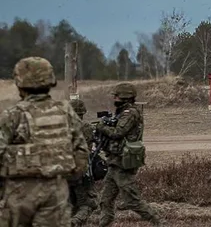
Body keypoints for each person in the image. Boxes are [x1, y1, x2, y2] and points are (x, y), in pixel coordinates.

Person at [0, 56, 89, 227]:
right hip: (56, 192)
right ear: (51, 81)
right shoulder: (66, 112)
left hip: (19, 193)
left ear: (19, 83)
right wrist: (64, 179)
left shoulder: (13, 115)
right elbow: (81, 154)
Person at [93, 82, 160, 226]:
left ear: (125, 98)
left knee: (132, 201)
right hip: (115, 162)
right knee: (105, 200)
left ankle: (160, 222)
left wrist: (102, 127)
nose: (114, 99)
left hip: (123, 163)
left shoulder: (130, 113)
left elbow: (118, 133)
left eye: (116, 96)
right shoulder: (122, 113)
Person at [67, 97, 98, 226]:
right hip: (81, 171)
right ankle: (74, 222)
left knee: (70, 204)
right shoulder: (86, 127)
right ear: (82, 113)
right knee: (89, 203)